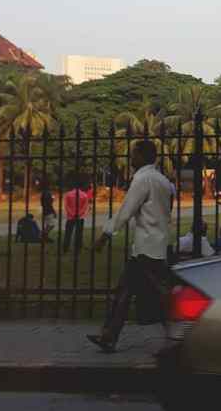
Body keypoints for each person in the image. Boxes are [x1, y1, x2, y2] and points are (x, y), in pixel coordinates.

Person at [87, 140, 176, 353]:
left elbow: (126, 210)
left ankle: (179, 334)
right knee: (126, 292)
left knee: (157, 295)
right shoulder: (163, 181)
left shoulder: (142, 179)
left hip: (146, 247)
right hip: (157, 244)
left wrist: (105, 235)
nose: (131, 157)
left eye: (134, 154)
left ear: (143, 156)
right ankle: (109, 335)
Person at [63, 180, 92, 254]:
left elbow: (66, 206)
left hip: (70, 217)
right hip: (80, 217)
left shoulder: (68, 194)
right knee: (79, 233)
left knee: (68, 233)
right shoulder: (84, 195)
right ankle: (78, 248)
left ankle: (65, 247)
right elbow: (84, 207)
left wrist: (72, 213)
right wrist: (78, 214)